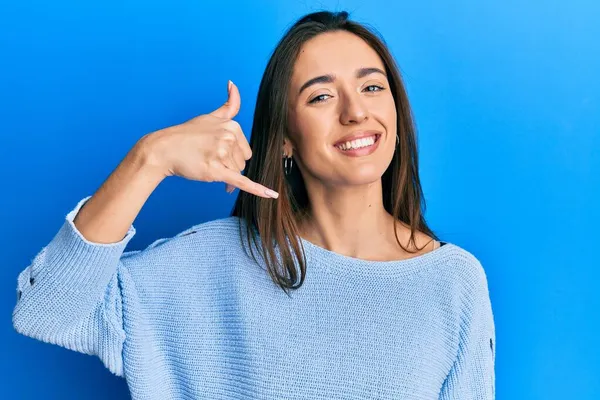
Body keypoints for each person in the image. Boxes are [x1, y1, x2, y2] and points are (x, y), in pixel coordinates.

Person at [12, 10, 495, 400]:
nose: (355, 112)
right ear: (284, 140)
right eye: (322, 96)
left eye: (372, 87)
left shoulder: (452, 282)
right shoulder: (213, 262)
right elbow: (45, 309)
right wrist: (149, 158)